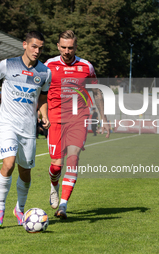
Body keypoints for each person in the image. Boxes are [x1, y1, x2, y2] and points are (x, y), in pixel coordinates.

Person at [0, 31, 51, 228]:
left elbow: (43, 98)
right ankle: (0, 209)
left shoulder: (45, 72)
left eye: (40, 48)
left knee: (25, 172)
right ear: (24, 45)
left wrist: (44, 114)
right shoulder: (7, 65)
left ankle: (19, 209)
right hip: (7, 123)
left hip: (28, 128)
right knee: (8, 164)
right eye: (34, 46)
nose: (37, 51)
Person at [44, 30, 110, 219]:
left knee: (73, 158)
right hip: (55, 119)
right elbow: (40, 91)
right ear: (58, 46)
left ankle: (63, 205)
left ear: (76, 47)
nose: (67, 51)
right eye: (63, 47)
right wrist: (41, 114)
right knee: (56, 166)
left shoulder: (86, 66)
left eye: (70, 47)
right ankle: (54, 185)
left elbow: (97, 92)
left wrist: (103, 118)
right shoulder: (48, 65)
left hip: (78, 118)